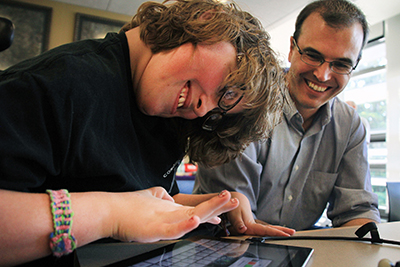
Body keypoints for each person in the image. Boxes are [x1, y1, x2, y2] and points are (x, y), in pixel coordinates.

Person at [0, 0, 295, 265]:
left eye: (218, 113)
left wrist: (214, 205)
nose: (204, 110)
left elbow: (144, 200)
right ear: (206, 24)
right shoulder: (57, 84)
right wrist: (110, 215)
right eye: (227, 91)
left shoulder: (170, 113)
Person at [194, 0, 381, 232]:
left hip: (296, 251)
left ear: (355, 65)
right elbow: (236, 219)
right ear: (292, 49)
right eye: (313, 55)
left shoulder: (350, 127)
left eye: (341, 64)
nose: (323, 75)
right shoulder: (243, 102)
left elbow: (358, 213)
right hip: (222, 247)